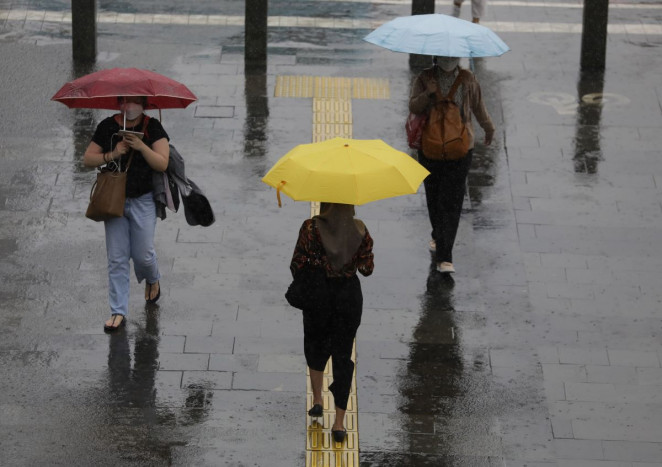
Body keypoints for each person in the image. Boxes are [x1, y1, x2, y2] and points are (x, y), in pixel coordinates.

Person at [83, 96, 170, 332]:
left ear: (143, 104)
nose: (130, 107)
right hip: (114, 199)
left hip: (143, 199)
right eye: (126, 102)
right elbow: (88, 158)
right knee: (117, 257)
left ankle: (153, 278)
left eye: (134, 102)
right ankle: (118, 311)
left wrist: (141, 146)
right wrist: (114, 153)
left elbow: (162, 163)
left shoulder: (152, 127)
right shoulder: (108, 127)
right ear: (119, 103)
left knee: (143, 255)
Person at [289, 203, 374, 443]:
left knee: (315, 345)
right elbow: (367, 269)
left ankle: (317, 399)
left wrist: (316, 268)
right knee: (343, 355)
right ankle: (339, 422)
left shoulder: (310, 228)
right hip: (347, 299)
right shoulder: (359, 230)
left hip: (318, 295)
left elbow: (296, 263)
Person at [409, 56, 495, 274]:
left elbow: (478, 106)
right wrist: (427, 92)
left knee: (453, 200)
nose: (449, 60)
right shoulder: (425, 78)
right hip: (430, 147)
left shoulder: (468, 79)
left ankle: (445, 256)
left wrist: (488, 127)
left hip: (460, 149)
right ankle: (439, 235)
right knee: (435, 196)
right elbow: (414, 106)